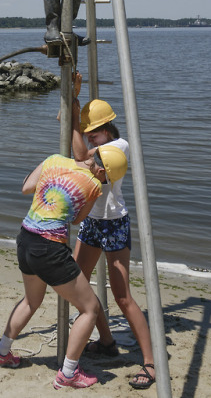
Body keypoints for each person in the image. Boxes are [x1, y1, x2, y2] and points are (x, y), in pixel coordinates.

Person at [0, 144, 127, 390]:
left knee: (31, 301)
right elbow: (77, 218)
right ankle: (69, 372)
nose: (106, 183)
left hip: (26, 237)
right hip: (50, 247)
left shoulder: (54, 159)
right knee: (90, 309)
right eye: (108, 178)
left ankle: (1, 353)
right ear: (103, 171)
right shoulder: (95, 185)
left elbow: (26, 187)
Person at [71, 98, 156, 390]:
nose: (89, 136)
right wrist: (73, 102)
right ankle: (107, 341)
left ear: (108, 129)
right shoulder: (99, 144)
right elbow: (79, 146)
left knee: (122, 297)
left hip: (114, 223)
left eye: (93, 131)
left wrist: (74, 123)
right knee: (77, 286)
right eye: (87, 131)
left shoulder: (120, 146)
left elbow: (80, 153)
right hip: (91, 222)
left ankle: (150, 361)